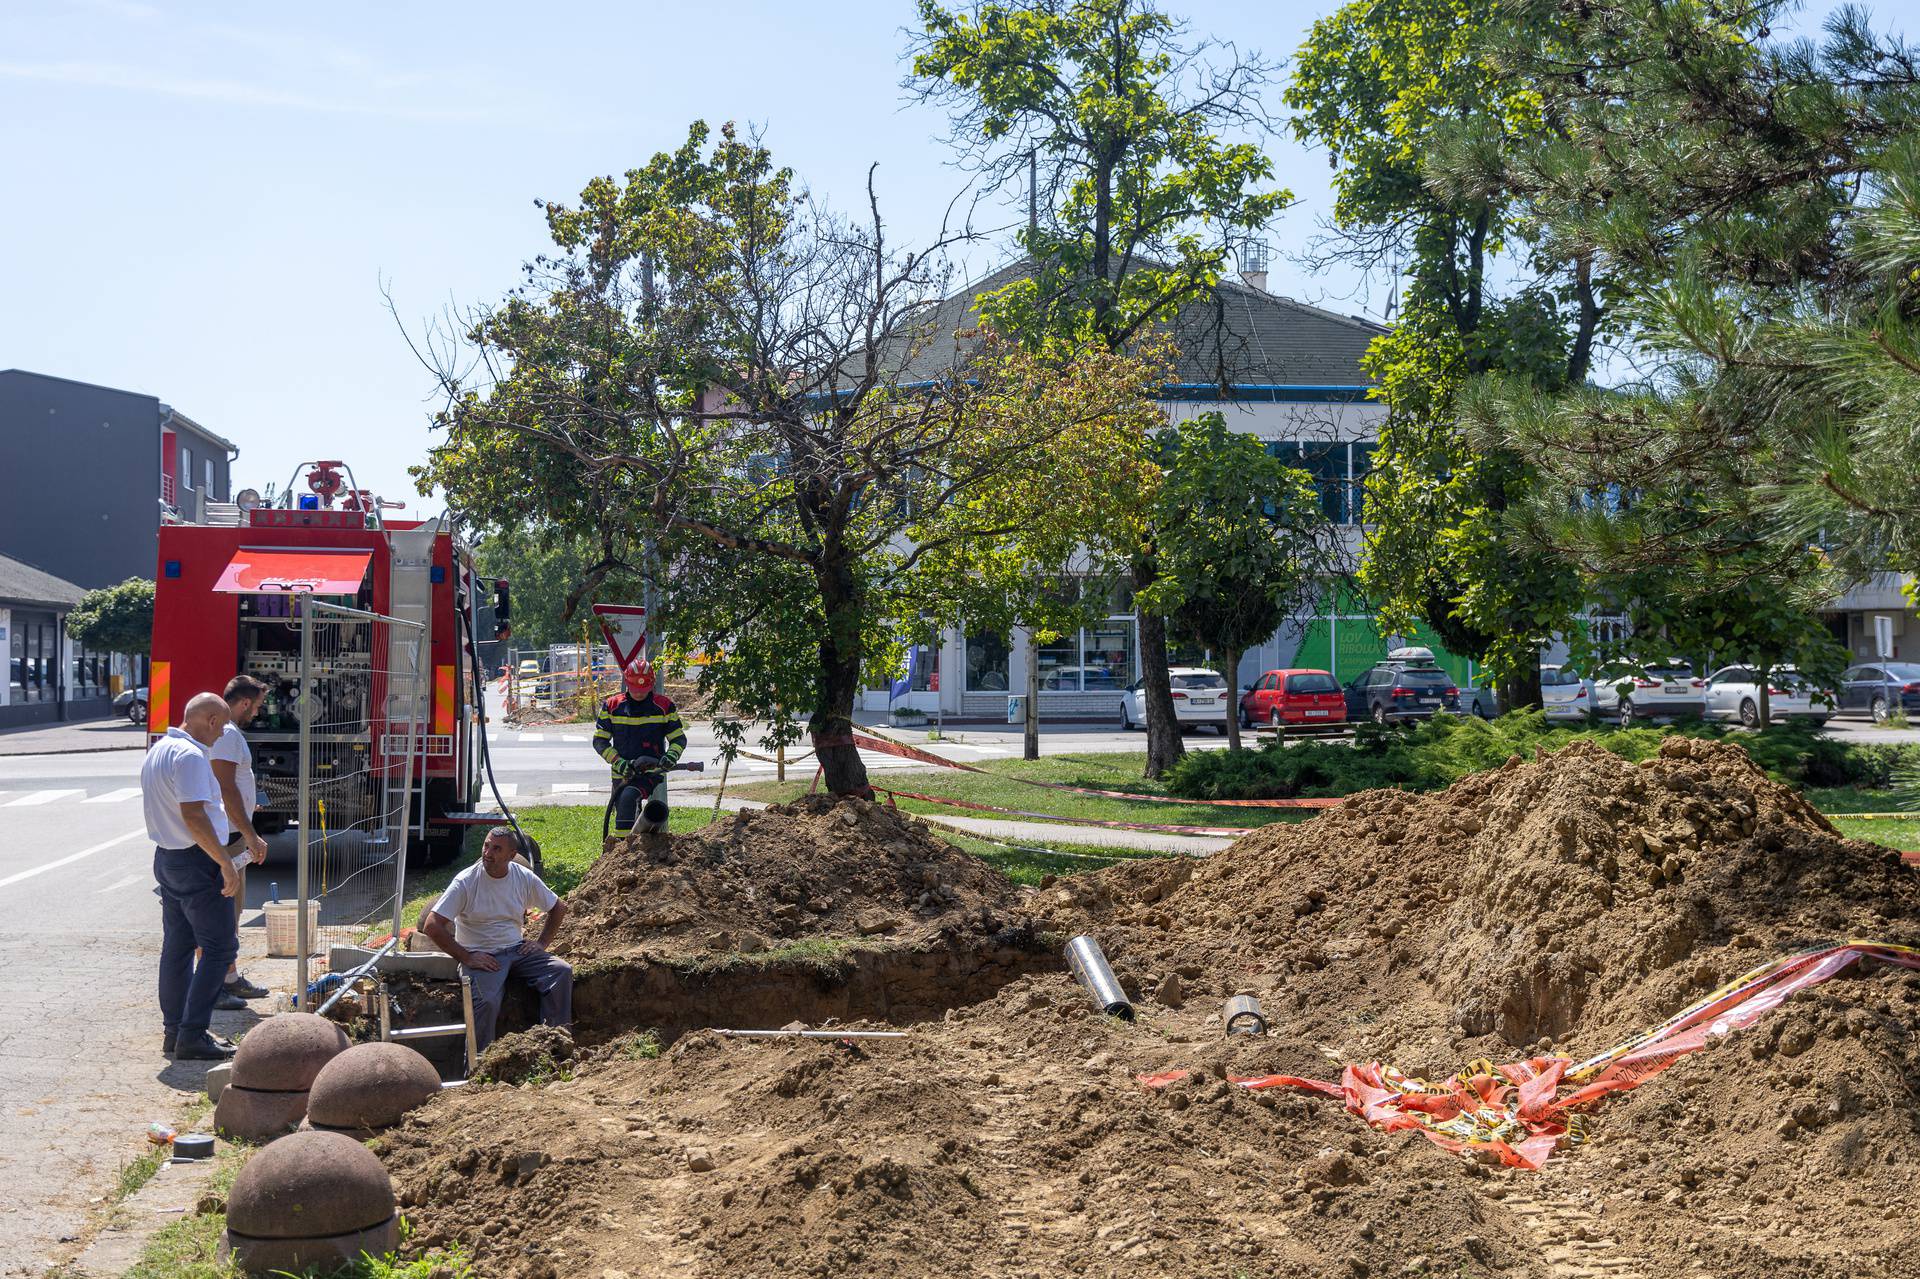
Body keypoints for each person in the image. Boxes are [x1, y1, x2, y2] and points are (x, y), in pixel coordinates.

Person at [142, 691, 238, 1060]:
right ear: (210, 720)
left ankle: (175, 1032)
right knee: (220, 948)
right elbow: (194, 816)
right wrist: (225, 862)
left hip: (168, 857)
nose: (223, 733)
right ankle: (193, 1034)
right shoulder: (191, 756)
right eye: (223, 725)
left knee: (178, 948)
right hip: (196, 860)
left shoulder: (160, 750)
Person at [419, 826, 572, 1052]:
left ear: (511, 856)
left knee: (561, 971)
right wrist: (467, 957)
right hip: (481, 955)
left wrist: (540, 944)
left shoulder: (523, 877)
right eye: (486, 845)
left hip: (517, 950)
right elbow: (432, 925)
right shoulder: (466, 881)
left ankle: (556, 1045)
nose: (488, 853)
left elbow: (558, 907)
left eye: (496, 848)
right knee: (487, 1001)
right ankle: (480, 1065)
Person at [209, 674, 271, 1005]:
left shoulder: (228, 734)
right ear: (244, 703)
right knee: (225, 911)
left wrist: (248, 804)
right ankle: (219, 983)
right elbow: (225, 785)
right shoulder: (228, 735)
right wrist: (250, 833)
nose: (258, 713)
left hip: (230, 831)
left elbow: (230, 787)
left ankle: (227, 977)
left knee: (228, 910)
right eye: (258, 706)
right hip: (231, 836)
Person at [592, 658, 687, 835]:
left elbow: (679, 739)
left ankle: (626, 851)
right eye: (635, 689)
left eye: (643, 689)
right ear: (626, 683)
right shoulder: (612, 706)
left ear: (651, 684)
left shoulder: (664, 707)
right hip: (622, 773)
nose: (639, 694)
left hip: (651, 771)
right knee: (624, 811)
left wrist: (671, 757)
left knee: (628, 798)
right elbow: (599, 741)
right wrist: (619, 762)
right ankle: (626, 854)